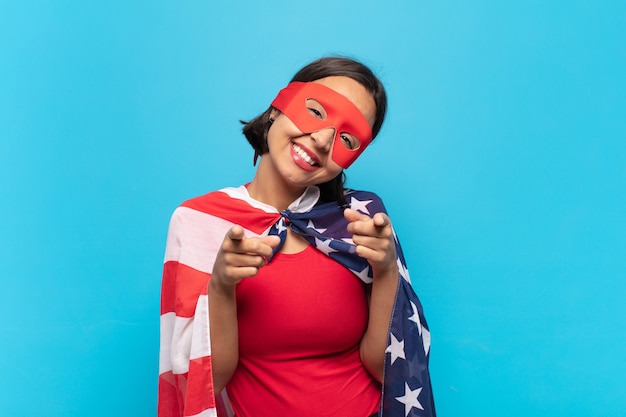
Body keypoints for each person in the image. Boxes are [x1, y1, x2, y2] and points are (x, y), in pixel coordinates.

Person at [158, 57, 435, 417]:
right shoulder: (199, 220)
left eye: (347, 138)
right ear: (279, 105)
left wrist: (386, 272)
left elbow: (389, 370)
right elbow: (205, 381)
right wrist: (221, 286)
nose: (322, 139)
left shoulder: (362, 219)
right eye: (317, 112)